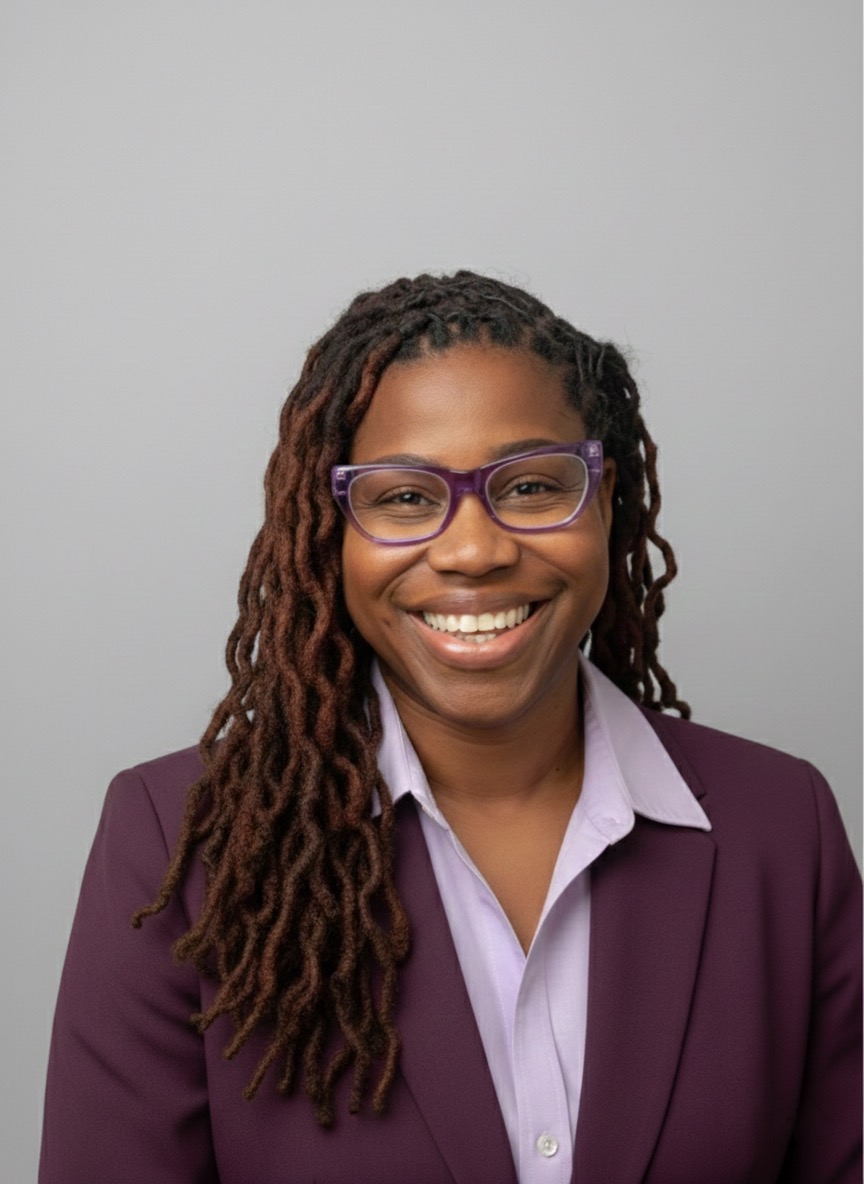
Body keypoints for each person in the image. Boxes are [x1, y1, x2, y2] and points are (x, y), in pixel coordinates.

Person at [40, 272, 861, 1184]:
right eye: (402, 498)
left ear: (606, 499)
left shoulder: (784, 829)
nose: (473, 550)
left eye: (534, 485)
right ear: (328, 531)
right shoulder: (175, 841)